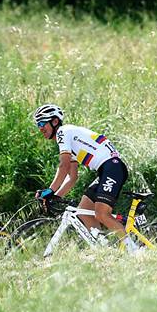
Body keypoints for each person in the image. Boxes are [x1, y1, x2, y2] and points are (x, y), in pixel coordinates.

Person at [32, 104, 136, 250]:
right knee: (83, 212)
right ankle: (105, 249)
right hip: (106, 170)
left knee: (101, 214)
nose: (40, 128)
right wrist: (55, 196)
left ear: (55, 122)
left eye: (42, 123)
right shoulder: (69, 138)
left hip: (112, 167)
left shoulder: (63, 132)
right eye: (38, 125)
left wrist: (50, 190)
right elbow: (72, 176)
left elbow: (64, 166)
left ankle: (134, 250)